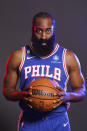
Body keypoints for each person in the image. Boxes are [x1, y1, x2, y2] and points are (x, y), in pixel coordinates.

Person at [3, 12, 86, 131]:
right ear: (33, 30)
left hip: (58, 122)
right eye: (39, 31)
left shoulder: (67, 57)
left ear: (53, 30)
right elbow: (7, 90)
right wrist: (21, 94)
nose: (43, 36)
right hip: (29, 122)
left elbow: (81, 90)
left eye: (48, 31)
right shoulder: (18, 56)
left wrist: (67, 96)